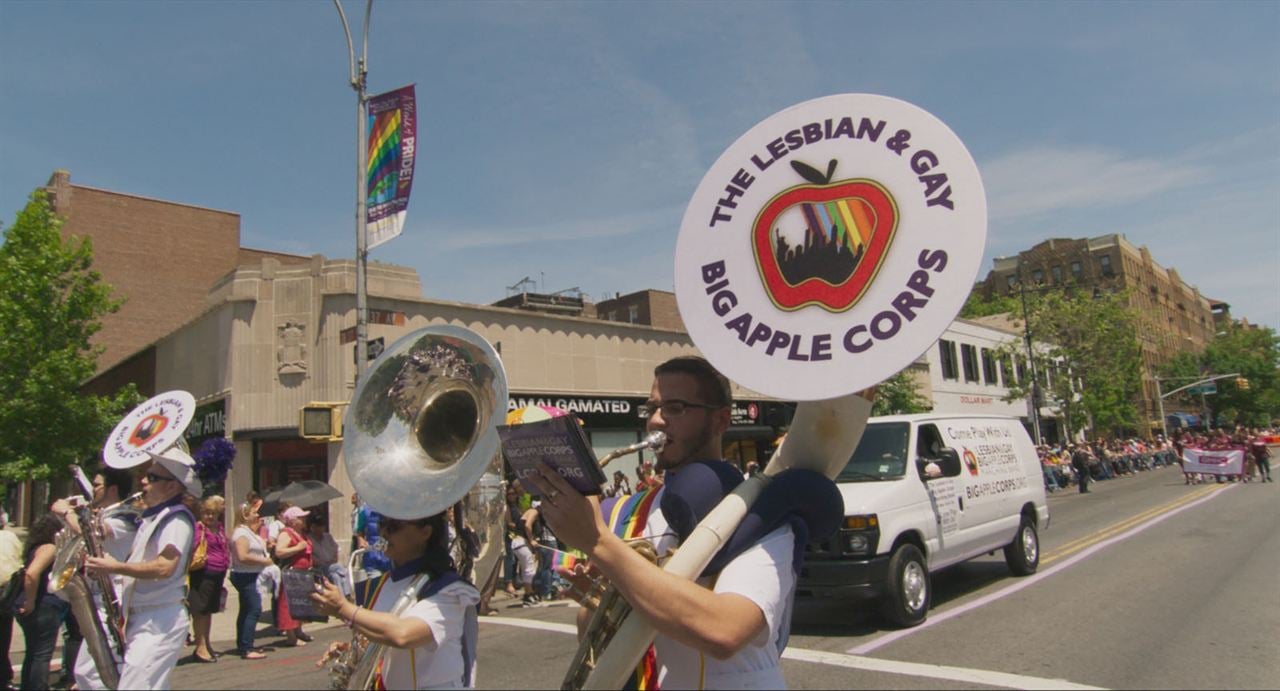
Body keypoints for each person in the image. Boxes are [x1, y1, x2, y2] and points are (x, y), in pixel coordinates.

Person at [526, 356, 840, 688]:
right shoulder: (630, 511)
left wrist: (600, 544)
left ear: (720, 420)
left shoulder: (763, 509)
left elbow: (725, 630)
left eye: (675, 408)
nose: (656, 421)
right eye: (652, 409)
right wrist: (598, 599)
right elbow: (596, 639)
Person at [312, 511, 480, 689]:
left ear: (425, 532)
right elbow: (385, 644)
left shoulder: (450, 590)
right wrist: (352, 652)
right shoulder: (380, 585)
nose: (384, 532)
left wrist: (343, 609)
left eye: (394, 526)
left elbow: (403, 635)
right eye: (382, 524)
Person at [84, 448, 199, 690]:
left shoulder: (176, 519)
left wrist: (115, 567)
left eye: (153, 477)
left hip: (159, 619)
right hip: (144, 616)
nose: (144, 481)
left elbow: (165, 567)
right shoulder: (152, 517)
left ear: (172, 487)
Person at [50, 467, 138, 690]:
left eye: (97, 485)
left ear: (113, 489)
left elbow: (94, 532)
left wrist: (67, 513)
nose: (93, 490)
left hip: (112, 598)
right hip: (97, 594)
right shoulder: (104, 512)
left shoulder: (124, 516)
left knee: (98, 671)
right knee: (87, 671)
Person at [15, 515, 66, 690]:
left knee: (33, 652)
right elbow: (32, 573)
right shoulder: (49, 548)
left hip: (31, 605)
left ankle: (28, 686)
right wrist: (30, 601)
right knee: (42, 655)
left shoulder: (33, 548)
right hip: (43, 605)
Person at [229, 499, 273, 660]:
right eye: (254, 513)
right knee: (254, 609)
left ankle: (244, 643)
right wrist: (264, 561)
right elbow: (242, 556)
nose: (257, 515)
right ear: (245, 515)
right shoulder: (240, 533)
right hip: (245, 575)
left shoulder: (248, 532)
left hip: (252, 573)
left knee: (246, 609)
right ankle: (246, 647)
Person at [187, 495, 228, 664]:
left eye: (213, 513)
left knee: (209, 611)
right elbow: (191, 548)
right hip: (202, 573)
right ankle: (200, 646)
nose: (210, 516)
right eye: (206, 513)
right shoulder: (199, 528)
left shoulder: (218, 528)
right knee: (200, 612)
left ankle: (207, 643)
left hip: (217, 574)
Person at [273, 506, 314, 647]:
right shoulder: (286, 534)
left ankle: (298, 630)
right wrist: (297, 548)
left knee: (300, 604)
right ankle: (291, 635)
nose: (304, 520)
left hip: (303, 573)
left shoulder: (301, 534)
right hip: (292, 574)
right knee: (288, 604)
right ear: (292, 520)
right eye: (300, 518)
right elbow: (279, 552)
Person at [0, 513, 21, 691]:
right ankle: (4, 677)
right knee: (4, 636)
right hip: (6, 592)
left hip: (5, 591)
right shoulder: (10, 537)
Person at [307, 514, 348, 599]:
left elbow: (335, 549)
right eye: (319, 526)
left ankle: (342, 599)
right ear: (313, 527)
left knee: (335, 576)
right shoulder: (309, 539)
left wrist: (332, 560)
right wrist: (323, 563)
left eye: (322, 526)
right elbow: (310, 557)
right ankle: (348, 593)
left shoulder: (328, 537)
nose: (322, 528)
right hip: (319, 567)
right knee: (340, 568)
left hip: (331, 566)